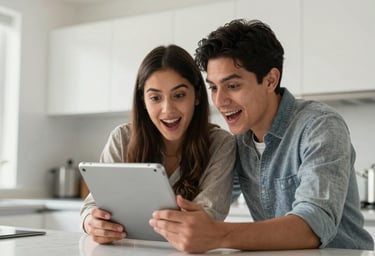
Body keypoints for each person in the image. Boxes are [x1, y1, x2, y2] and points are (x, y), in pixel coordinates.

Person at [149, 19, 374, 252]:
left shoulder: (319, 125)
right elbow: (205, 202)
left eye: (233, 86)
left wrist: (219, 235)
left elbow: (313, 226)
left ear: (270, 80)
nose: (219, 101)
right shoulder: (238, 142)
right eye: (214, 87)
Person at [80, 44, 236, 244]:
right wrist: (91, 223)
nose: (167, 110)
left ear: (196, 96)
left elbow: (208, 217)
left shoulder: (220, 144)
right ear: (143, 101)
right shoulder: (122, 139)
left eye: (179, 95)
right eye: (155, 98)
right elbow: (92, 205)